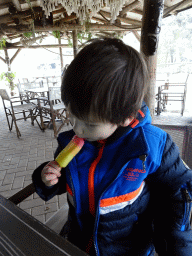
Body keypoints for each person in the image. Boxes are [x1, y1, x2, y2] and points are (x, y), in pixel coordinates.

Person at [32, 38, 192, 256]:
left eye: (89, 123)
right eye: (72, 116)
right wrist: (47, 178)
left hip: (127, 247)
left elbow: (178, 193)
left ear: (126, 118)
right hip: (79, 239)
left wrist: (177, 246)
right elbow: (65, 179)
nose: (77, 130)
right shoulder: (73, 142)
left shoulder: (151, 146)